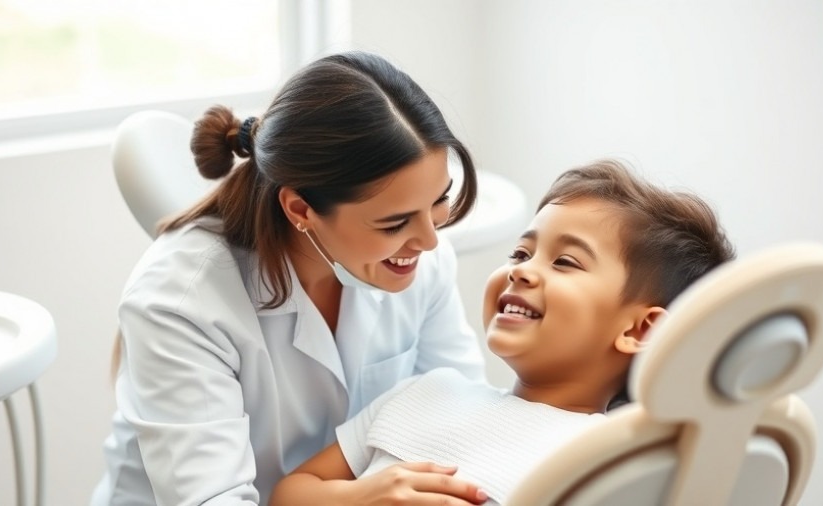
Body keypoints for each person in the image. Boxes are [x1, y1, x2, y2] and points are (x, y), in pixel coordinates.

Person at [90, 51, 489, 506]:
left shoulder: (419, 258)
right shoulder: (179, 301)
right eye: (394, 223)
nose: (429, 241)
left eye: (439, 201)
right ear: (300, 209)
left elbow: (457, 413)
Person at [269, 159, 736, 506]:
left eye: (565, 262)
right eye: (519, 254)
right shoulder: (424, 393)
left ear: (639, 328)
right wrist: (357, 500)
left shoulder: (613, 459)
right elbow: (291, 492)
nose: (523, 272)